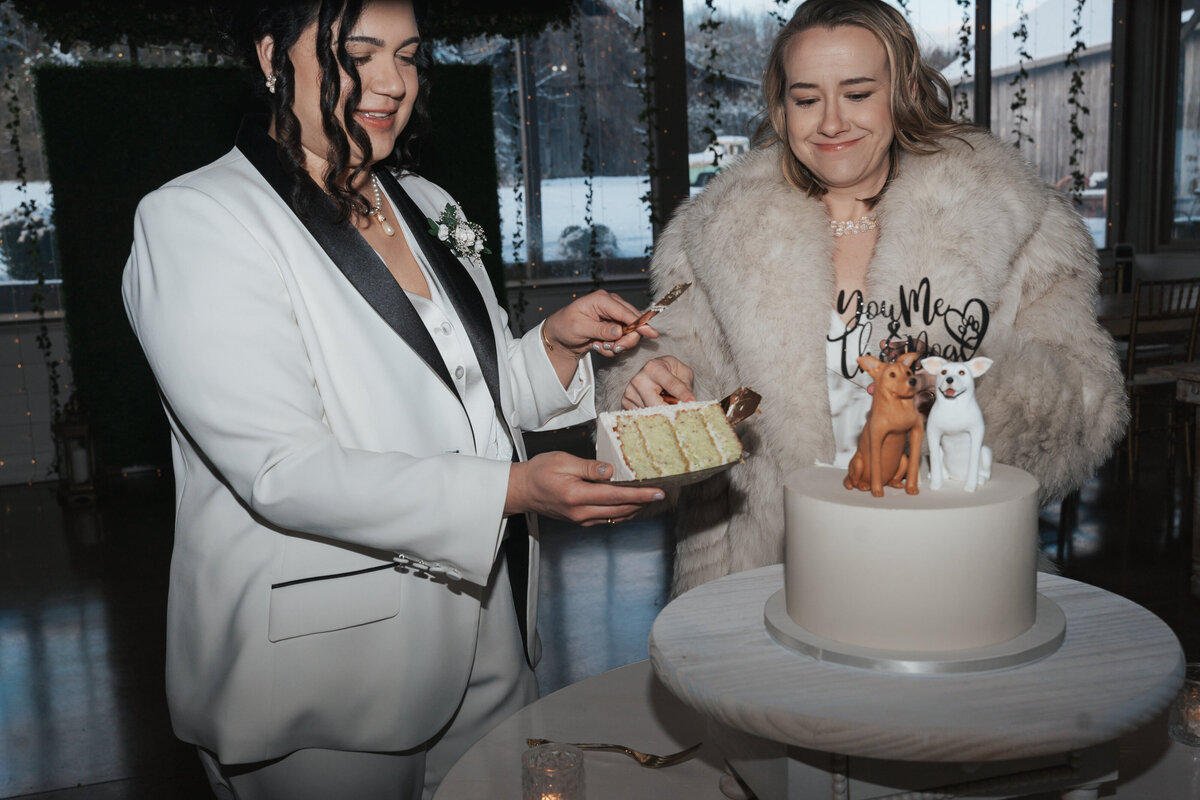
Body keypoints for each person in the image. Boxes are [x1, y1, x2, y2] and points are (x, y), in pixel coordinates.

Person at [121, 2, 666, 798]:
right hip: (325, 672)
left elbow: (467, 402)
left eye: (407, 56)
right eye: (358, 54)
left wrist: (554, 344)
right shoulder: (202, 219)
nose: (391, 83)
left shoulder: (425, 203)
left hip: (489, 632)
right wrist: (512, 491)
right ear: (273, 56)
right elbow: (281, 470)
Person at [599, 0, 1127, 597]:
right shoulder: (714, 236)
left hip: (952, 574)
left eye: (856, 93)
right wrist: (650, 392)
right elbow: (660, 399)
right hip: (765, 580)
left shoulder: (1015, 220)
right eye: (806, 99)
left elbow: (1090, 408)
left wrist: (962, 397)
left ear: (904, 93)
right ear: (782, 109)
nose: (831, 122)